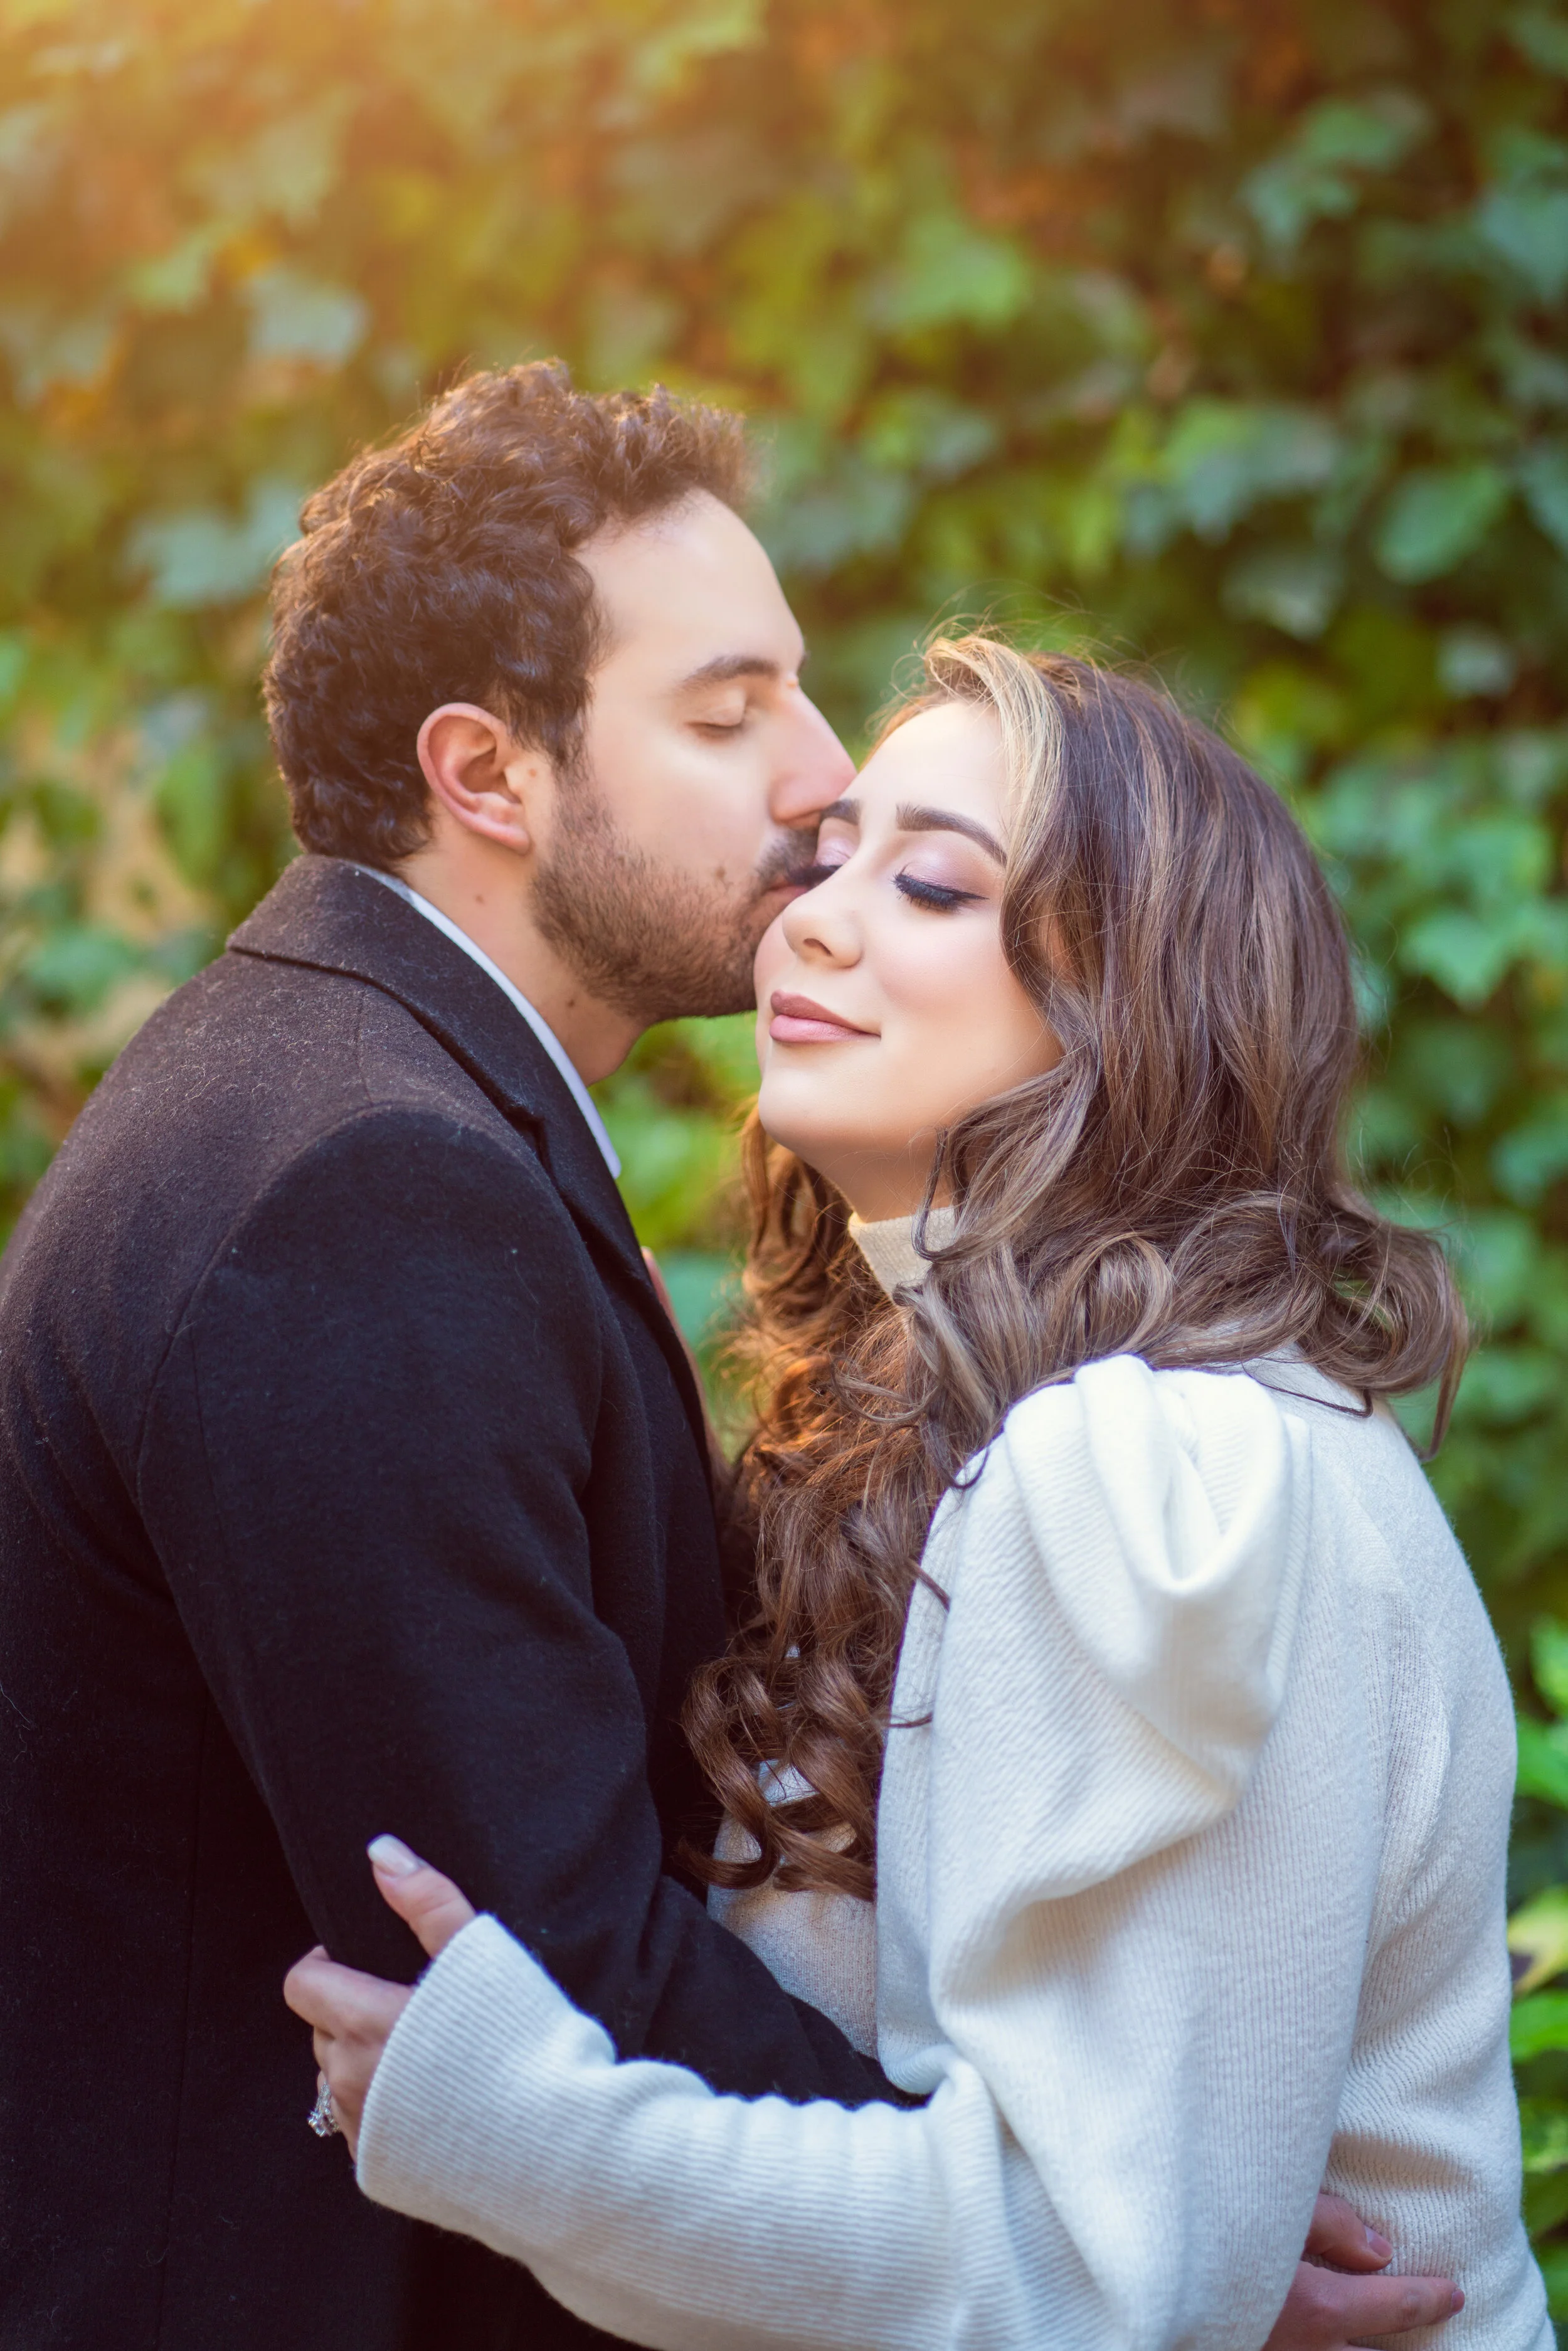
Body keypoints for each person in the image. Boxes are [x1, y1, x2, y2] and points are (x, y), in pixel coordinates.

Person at [0, 356, 1442, 2350]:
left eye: (799, 691)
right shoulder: (354, 1181)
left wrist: (1137, 2252)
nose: (815, 775)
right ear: (488, 775)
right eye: (725, 706)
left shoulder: (377, 1119)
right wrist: (1148, 2274)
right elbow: (556, 1947)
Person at [290, 638, 1549, 2350]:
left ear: (1133, 996)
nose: (804, 918)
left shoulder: (1162, 1462)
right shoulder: (953, 1442)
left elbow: (1095, 2282)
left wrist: (518, 2131)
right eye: (827, 862)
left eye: (934, 883)